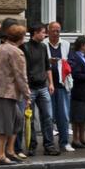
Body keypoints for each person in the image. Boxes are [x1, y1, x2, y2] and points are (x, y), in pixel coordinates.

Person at [0, 24, 29, 165]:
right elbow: (20, 76)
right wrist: (27, 94)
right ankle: (0, 155)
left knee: (17, 120)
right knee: (4, 124)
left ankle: (10, 151)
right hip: (6, 92)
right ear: (20, 38)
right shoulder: (16, 52)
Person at [21, 23, 60, 156]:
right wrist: (25, 88)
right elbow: (23, 69)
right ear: (35, 33)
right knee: (30, 119)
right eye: (43, 32)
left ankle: (49, 145)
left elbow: (47, 66)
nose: (45, 35)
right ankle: (31, 145)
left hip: (43, 86)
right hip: (31, 87)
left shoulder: (43, 47)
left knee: (48, 117)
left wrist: (51, 83)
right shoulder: (25, 47)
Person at [46, 21, 73, 152]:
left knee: (64, 115)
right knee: (48, 116)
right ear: (48, 31)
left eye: (58, 31)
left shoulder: (66, 44)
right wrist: (49, 61)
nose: (56, 33)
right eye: (53, 31)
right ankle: (49, 143)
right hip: (47, 85)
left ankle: (64, 142)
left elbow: (70, 62)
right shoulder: (43, 44)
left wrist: (64, 63)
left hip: (62, 84)